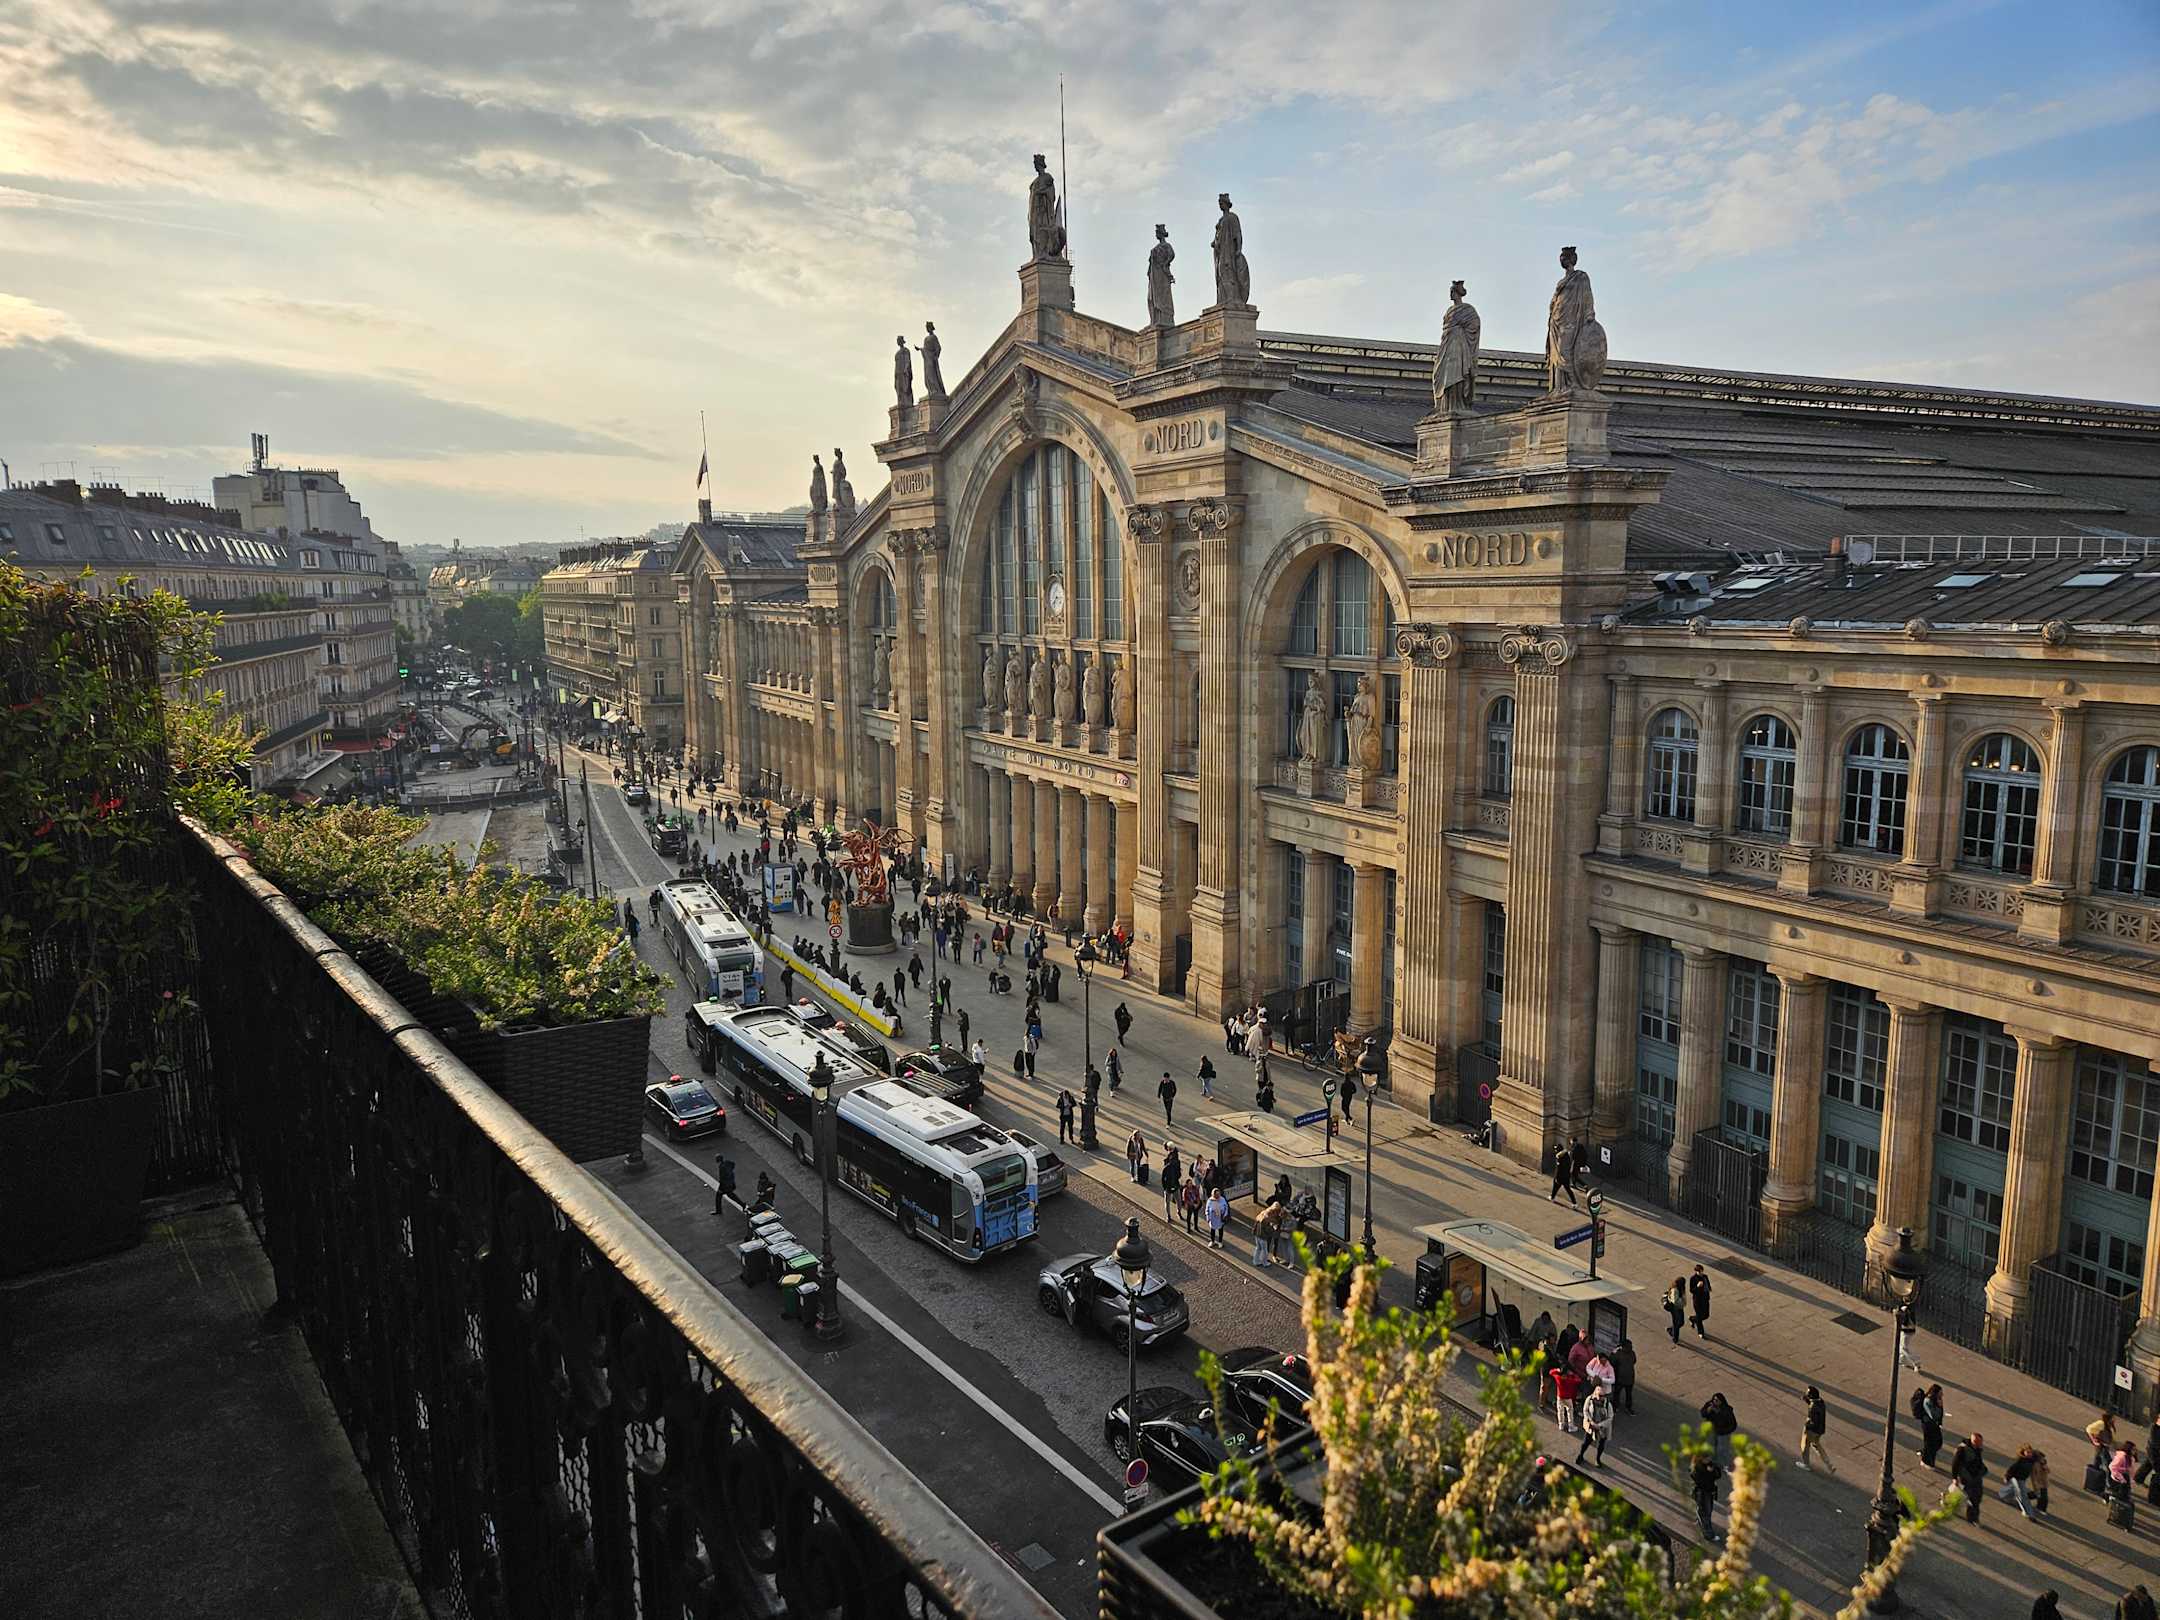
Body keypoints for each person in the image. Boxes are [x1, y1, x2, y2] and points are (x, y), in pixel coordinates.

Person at [1951, 1433, 1987, 1524]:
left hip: (1975, 1477)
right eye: (1978, 1442)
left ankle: (1972, 1517)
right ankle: (1972, 1518)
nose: (1980, 1444)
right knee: (1968, 1497)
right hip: (1966, 1477)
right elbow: (1955, 1464)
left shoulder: (1977, 1448)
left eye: (1980, 1442)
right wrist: (1954, 1478)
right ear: (1973, 1441)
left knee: (1976, 1497)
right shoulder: (1962, 1450)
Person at [1799, 1386, 1834, 1474]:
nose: (1806, 1394)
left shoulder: (1813, 1407)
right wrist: (1806, 1400)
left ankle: (1806, 1464)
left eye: (1807, 1394)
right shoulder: (1820, 1401)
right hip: (1820, 1430)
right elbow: (1814, 1405)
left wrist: (1807, 1427)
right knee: (1816, 1446)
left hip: (1812, 1431)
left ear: (1811, 1396)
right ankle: (1829, 1464)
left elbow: (1813, 1421)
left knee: (1804, 1445)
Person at [1578, 1386, 1614, 1467]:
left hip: (1602, 1429)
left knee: (1601, 1445)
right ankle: (1581, 1455)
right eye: (1598, 1395)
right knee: (1585, 1443)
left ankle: (1597, 1459)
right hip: (1591, 1426)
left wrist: (1599, 1425)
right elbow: (1585, 1410)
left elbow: (1610, 1418)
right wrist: (1590, 1421)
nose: (1599, 1397)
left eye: (1602, 1396)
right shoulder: (1590, 1399)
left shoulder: (1608, 1405)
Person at [1691, 1451, 1722, 1543]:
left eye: (1709, 1457)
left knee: (1705, 1510)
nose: (1709, 1459)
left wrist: (1713, 1470)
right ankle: (1708, 1535)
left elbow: (1718, 1475)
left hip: (1709, 1492)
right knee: (1705, 1513)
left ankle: (1700, 1522)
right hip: (1702, 1493)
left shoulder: (1710, 1464)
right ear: (1700, 1458)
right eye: (1707, 1458)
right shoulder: (1696, 1468)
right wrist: (1710, 1473)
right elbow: (1701, 1481)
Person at [1701, 1392, 1738, 1470]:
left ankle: (1725, 1464)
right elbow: (1703, 1413)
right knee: (1711, 1447)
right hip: (1712, 1431)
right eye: (1714, 1399)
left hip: (1722, 1433)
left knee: (1722, 1449)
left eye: (1717, 1400)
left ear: (1721, 1401)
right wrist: (1708, 1410)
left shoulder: (1727, 1410)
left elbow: (1733, 1424)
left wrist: (1725, 1431)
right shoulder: (1710, 1405)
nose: (1715, 1401)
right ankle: (1712, 1462)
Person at [2001, 1445, 2040, 1518]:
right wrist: (2006, 1477)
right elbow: (2011, 1469)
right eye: (2027, 1452)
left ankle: (2005, 1495)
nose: (2029, 1454)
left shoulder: (2032, 1460)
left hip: (2022, 1479)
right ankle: (2027, 1512)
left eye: (2030, 1452)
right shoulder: (2020, 1461)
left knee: (2015, 1490)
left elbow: (2038, 1457)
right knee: (2021, 1495)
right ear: (2023, 1452)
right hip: (2016, 1478)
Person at [1915, 1383, 1946, 1468]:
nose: (1942, 1395)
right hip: (1928, 1425)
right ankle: (1926, 1461)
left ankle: (1924, 1453)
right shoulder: (1928, 1401)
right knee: (1931, 1443)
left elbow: (1939, 1415)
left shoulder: (1937, 1400)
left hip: (1934, 1424)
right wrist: (1939, 1406)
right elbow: (1933, 1415)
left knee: (1938, 1442)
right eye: (1940, 1393)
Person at [1253, 1199, 1283, 1266]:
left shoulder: (1262, 1213)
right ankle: (1264, 1262)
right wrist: (1273, 1228)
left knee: (1258, 1248)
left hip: (1257, 1234)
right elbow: (1268, 1229)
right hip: (1263, 1235)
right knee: (1264, 1250)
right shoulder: (1268, 1218)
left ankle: (1256, 1261)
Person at [1688, 1264, 1713, 1340]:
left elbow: (1708, 1284)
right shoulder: (1693, 1278)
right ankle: (1700, 1332)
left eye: (1702, 1271)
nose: (1701, 1273)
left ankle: (1692, 1319)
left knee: (1706, 1315)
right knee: (1699, 1317)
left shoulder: (1705, 1276)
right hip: (1697, 1300)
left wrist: (1709, 1288)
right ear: (1696, 1271)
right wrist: (1697, 1286)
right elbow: (1691, 1290)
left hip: (1705, 1299)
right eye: (1699, 1272)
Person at [1550, 1142, 1577, 1206]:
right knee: (1568, 1190)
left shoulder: (1559, 1157)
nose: (1555, 1150)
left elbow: (1558, 1169)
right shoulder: (1567, 1156)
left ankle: (1552, 1197)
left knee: (1555, 1186)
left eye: (1556, 1149)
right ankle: (1574, 1203)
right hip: (1566, 1176)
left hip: (1560, 1177)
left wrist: (1556, 1177)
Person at [1663, 1277, 1687, 1345]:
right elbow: (1675, 1301)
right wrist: (1683, 1302)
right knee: (1676, 1323)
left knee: (1681, 1322)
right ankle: (1675, 1339)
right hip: (1675, 1308)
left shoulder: (1680, 1288)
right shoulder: (1675, 1290)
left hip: (1679, 1307)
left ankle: (1671, 1330)